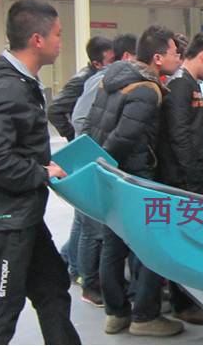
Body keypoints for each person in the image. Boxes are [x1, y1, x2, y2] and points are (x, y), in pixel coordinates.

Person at [0, 0, 81, 345]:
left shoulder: (22, 82)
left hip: (22, 213)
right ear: (37, 39)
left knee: (52, 288)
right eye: (58, 34)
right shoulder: (8, 88)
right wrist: (42, 172)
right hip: (3, 219)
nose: (61, 42)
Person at [82, 25, 183, 337]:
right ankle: (145, 316)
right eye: (174, 53)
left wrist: (98, 165)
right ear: (157, 58)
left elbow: (92, 124)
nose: (178, 58)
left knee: (113, 245)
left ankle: (116, 314)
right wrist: (110, 166)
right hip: (133, 178)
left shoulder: (113, 78)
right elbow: (124, 137)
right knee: (151, 245)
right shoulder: (147, 89)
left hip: (111, 178)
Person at [68, 32, 138, 308]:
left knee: (94, 226)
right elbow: (79, 119)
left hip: (99, 160)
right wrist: (94, 148)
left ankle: (78, 269)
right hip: (92, 161)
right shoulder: (101, 80)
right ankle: (90, 283)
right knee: (91, 228)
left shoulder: (117, 79)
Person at [50, 36, 113, 285]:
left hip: (86, 149)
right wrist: (75, 140)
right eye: (111, 60)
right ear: (97, 64)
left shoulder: (96, 76)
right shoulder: (85, 80)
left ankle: (70, 263)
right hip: (84, 152)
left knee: (82, 217)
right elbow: (57, 111)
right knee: (87, 222)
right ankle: (80, 271)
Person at [157, 32, 203, 195]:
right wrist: (194, 181)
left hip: (197, 174)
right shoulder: (179, 85)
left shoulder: (190, 83)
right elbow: (179, 135)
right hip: (185, 182)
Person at [48, 35, 114, 142]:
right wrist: (72, 136)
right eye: (112, 60)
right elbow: (54, 110)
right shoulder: (82, 80)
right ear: (97, 64)